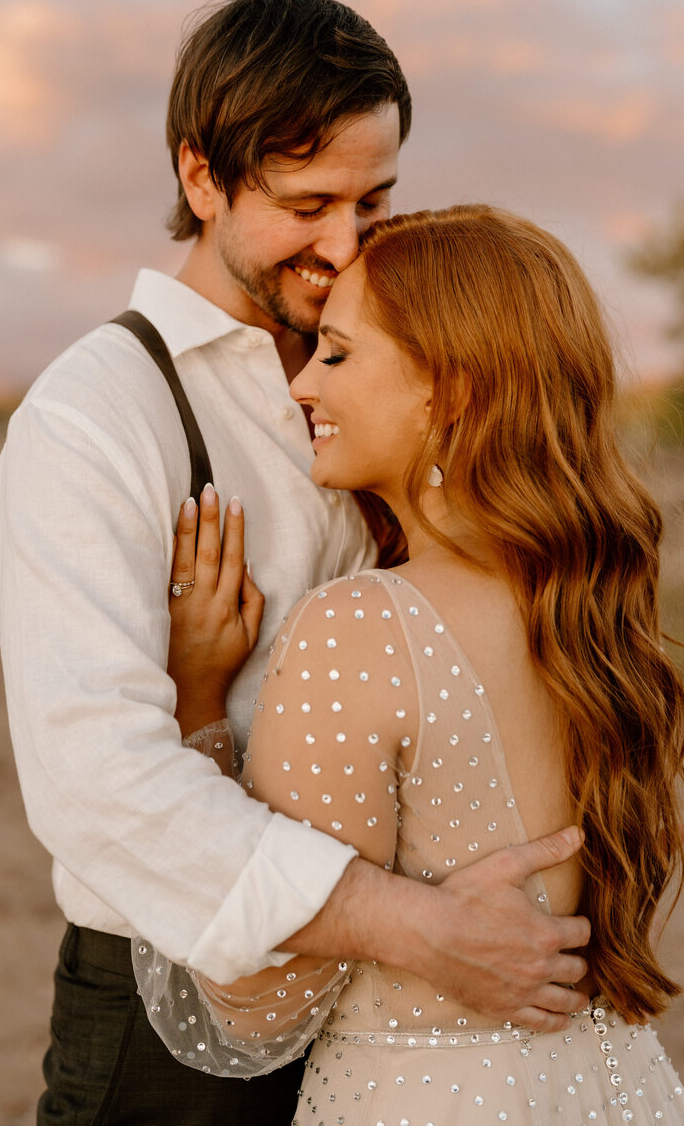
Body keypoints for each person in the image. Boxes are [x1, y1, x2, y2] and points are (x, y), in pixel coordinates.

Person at [0, 0, 590, 1126]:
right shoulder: (93, 418)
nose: (346, 242)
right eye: (307, 203)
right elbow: (94, 783)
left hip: (409, 1017)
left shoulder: (399, 359)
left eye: (373, 199)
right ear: (200, 177)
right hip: (186, 1006)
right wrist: (407, 923)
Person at [136, 205, 684, 1125]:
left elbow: (255, 1003)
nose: (301, 382)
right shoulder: (590, 607)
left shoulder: (359, 627)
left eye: (339, 354)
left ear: (452, 390)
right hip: (615, 1086)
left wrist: (196, 708)